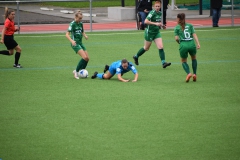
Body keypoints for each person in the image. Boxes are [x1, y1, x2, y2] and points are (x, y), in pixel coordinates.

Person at [133, 0, 171, 69]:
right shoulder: (152, 12)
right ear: (154, 6)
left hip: (156, 32)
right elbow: (146, 21)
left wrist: (162, 25)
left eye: (158, 6)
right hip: (149, 32)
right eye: (156, 6)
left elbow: (157, 21)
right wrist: (155, 24)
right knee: (146, 48)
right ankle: (136, 56)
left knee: (161, 47)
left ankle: (163, 62)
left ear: (160, 6)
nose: (157, 7)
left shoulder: (159, 13)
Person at [174, 13, 200, 82]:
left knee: (183, 61)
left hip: (183, 44)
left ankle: (188, 73)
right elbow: (194, 34)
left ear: (178, 19)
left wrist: (180, 43)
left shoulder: (177, 27)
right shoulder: (190, 25)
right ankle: (194, 74)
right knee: (194, 58)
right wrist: (198, 43)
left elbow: (176, 38)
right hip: (191, 43)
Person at [66, 10, 89, 79]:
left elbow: (82, 31)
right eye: (79, 18)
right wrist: (72, 41)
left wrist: (85, 36)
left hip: (80, 43)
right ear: (75, 17)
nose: (80, 20)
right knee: (84, 57)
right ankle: (76, 71)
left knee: (87, 58)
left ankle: (81, 71)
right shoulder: (72, 24)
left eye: (81, 18)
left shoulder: (81, 23)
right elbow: (67, 34)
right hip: (75, 44)